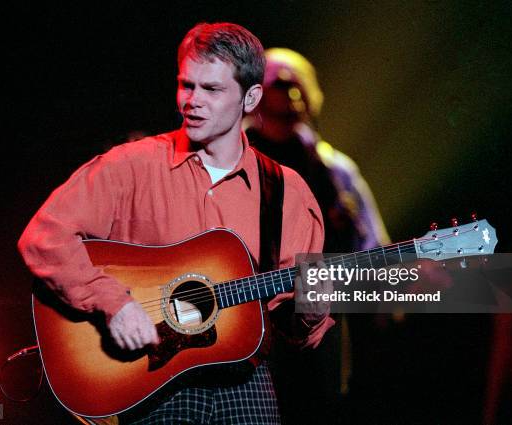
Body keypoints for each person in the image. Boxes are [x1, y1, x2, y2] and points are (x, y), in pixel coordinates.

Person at [18, 23, 333, 425]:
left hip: (245, 387)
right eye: (187, 85)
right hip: (148, 384)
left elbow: (305, 333)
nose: (192, 101)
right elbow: (45, 237)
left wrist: (315, 301)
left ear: (251, 97)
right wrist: (113, 303)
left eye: (211, 89)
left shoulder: (286, 191)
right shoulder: (131, 165)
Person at [244, 48, 390, 424]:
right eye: (280, 84)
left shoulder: (335, 171)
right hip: (245, 326)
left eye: (298, 86)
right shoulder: (225, 162)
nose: (291, 95)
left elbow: (375, 248)